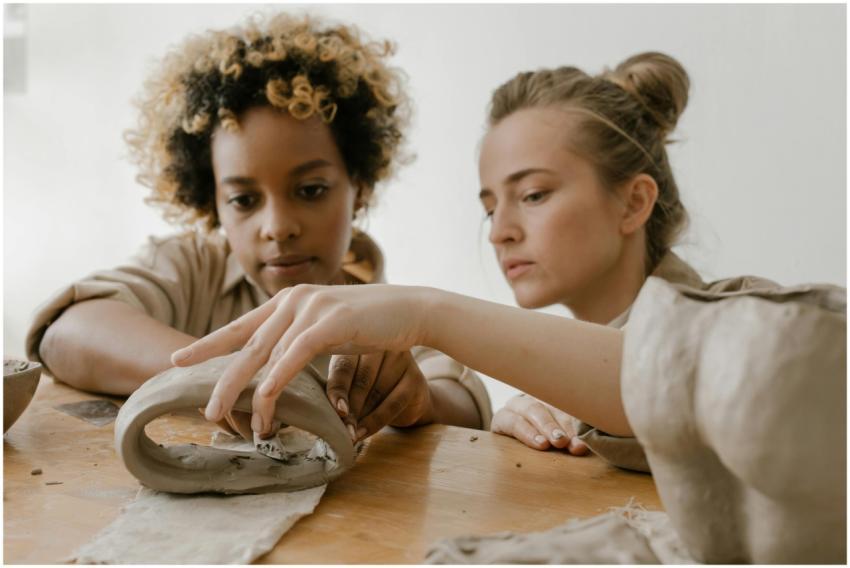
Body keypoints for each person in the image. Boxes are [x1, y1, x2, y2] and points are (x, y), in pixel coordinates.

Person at [172, 51, 789, 472]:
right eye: (490, 207)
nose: (499, 231)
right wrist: (529, 425)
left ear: (633, 202)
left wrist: (425, 312)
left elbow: (673, 382)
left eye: (533, 195)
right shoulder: (557, 389)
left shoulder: (752, 316)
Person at [25, 12, 492, 443]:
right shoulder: (192, 267)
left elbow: (466, 404)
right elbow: (67, 332)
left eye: (310, 190)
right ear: (211, 203)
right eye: (244, 200)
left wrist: (419, 401)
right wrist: (226, 371)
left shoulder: (391, 317)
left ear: (360, 186)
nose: (278, 227)